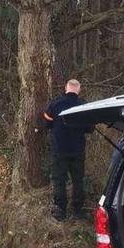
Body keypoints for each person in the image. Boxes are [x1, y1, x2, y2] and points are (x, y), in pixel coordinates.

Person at [42, 79, 92, 222]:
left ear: (66, 88)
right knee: (78, 180)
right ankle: (77, 211)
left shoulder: (55, 104)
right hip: (78, 150)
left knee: (59, 180)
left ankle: (60, 211)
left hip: (59, 149)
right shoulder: (84, 106)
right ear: (78, 90)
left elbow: (47, 123)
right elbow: (90, 128)